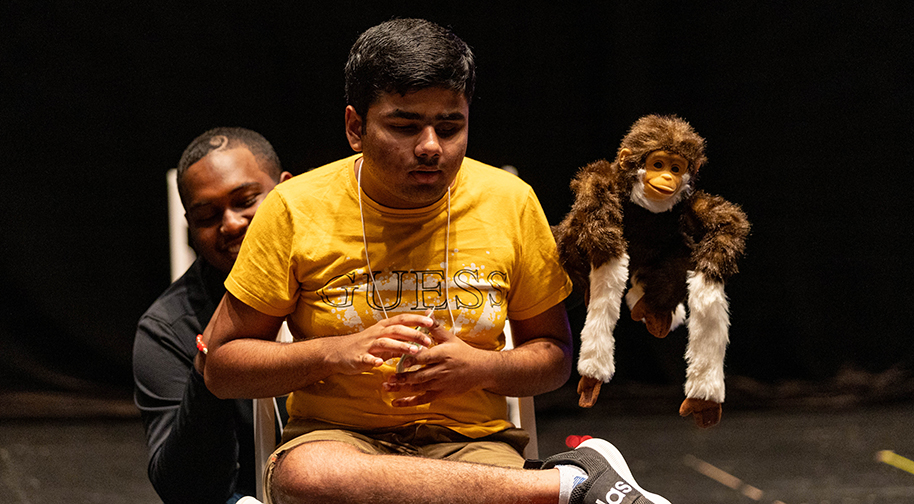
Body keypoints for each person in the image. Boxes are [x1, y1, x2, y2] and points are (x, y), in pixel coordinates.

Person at [200, 19, 671, 504]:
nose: (430, 146)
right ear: (356, 128)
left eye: (450, 127)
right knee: (308, 476)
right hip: (339, 442)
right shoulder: (294, 207)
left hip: (474, 448)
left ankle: (551, 486)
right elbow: (223, 366)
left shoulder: (509, 201)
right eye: (404, 126)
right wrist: (335, 353)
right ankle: (569, 484)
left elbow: (553, 357)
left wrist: (479, 367)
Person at [133, 127, 292, 504]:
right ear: (190, 226)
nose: (232, 223)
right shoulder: (167, 328)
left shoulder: (344, 278)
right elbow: (188, 492)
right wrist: (210, 365)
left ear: (287, 190)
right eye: (206, 216)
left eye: (247, 200)